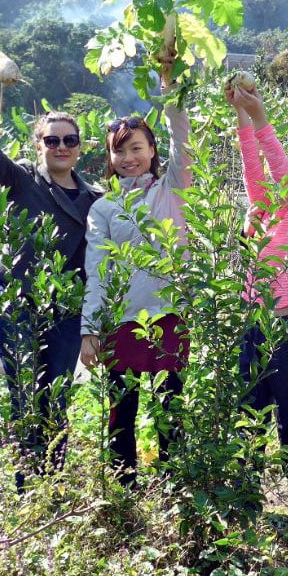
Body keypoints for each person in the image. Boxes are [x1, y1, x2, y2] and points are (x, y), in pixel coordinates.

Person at [0, 41, 101, 481]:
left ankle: (53, 483)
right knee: (24, 395)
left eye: (70, 140)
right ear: (38, 144)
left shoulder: (94, 199)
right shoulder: (19, 177)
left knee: (56, 398)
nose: (61, 146)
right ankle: (27, 487)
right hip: (18, 304)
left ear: (80, 147)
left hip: (65, 310)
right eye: (52, 139)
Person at [79, 95, 192, 485]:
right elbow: (97, 270)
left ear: (153, 150)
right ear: (110, 158)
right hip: (121, 322)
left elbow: (184, 137)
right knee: (121, 411)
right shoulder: (104, 209)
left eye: (136, 148)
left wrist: (168, 84)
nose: (129, 158)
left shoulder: (172, 189)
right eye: (119, 151)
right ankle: (125, 492)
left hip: (169, 318)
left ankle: (172, 489)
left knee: (169, 408)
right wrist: (90, 329)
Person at [230, 85, 288, 509]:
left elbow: (280, 174)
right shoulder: (263, 208)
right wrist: (242, 115)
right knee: (248, 413)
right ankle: (244, 493)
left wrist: (262, 115)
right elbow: (254, 163)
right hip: (254, 324)